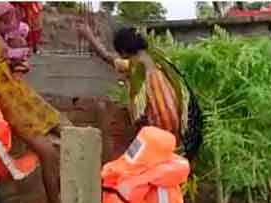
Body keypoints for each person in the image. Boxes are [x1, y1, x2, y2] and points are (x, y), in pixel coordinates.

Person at [77, 25, 202, 161]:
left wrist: (89, 37)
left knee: (133, 162)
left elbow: (107, 57)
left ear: (124, 51)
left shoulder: (137, 66)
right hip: (182, 130)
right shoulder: (159, 59)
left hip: (159, 131)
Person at [0, 2, 63, 203]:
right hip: (12, 109)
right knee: (48, 154)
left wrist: (17, 55)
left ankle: (67, 196)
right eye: (2, 20)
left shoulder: (4, 39)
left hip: (26, 99)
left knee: (71, 134)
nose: (8, 24)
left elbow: (18, 63)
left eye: (9, 19)